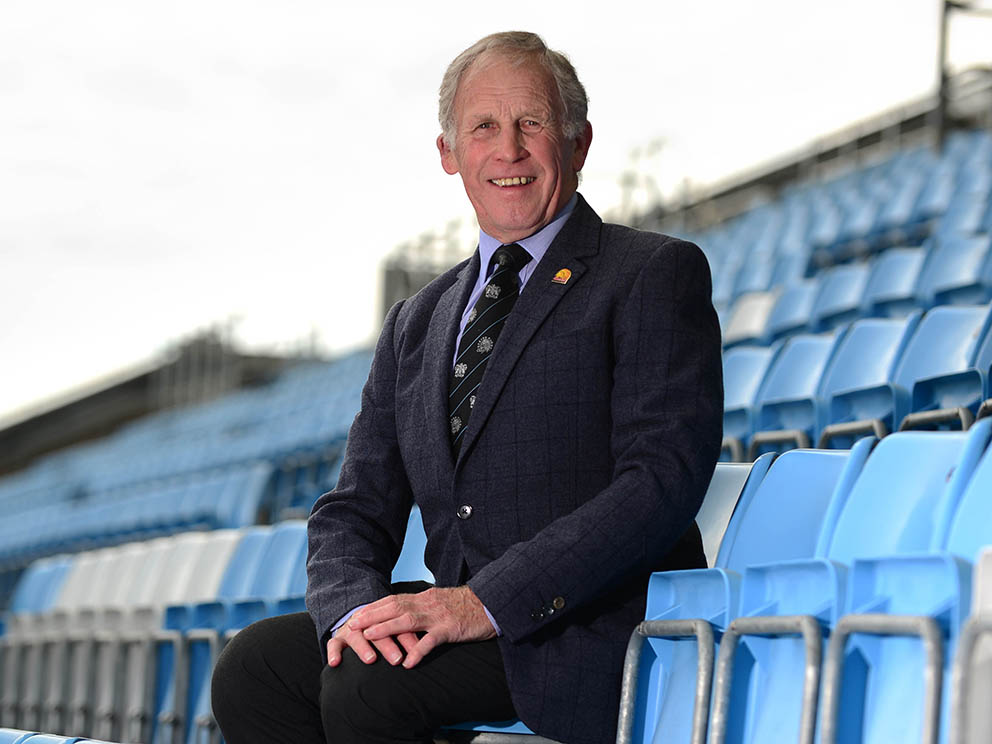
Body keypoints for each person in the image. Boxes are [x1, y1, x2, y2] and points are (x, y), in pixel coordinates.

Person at [211, 30, 722, 744]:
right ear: (449, 153)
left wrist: (482, 604)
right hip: (461, 625)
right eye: (484, 126)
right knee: (256, 667)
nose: (508, 149)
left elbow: (661, 482)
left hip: (591, 626)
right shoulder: (416, 321)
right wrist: (355, 613)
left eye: (532, 123)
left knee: (370, 690)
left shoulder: (651, 274)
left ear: (578, 143)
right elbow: (353, 509)